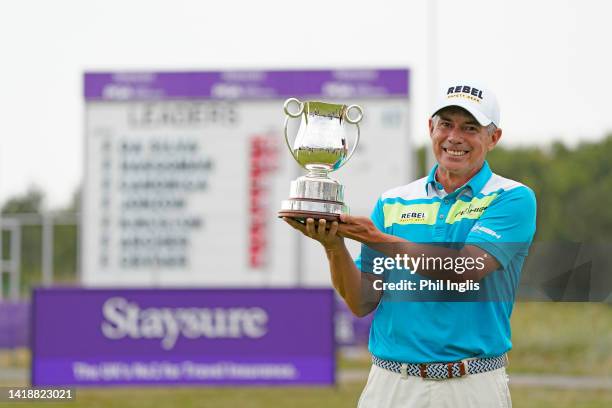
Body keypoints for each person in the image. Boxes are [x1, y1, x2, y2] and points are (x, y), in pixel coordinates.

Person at [284, 81, 536, 407]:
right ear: (431, 128)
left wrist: (374, 237)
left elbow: (463, 268)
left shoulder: (512, 198)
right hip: (391, 384)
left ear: (493, 138)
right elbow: (362, 302)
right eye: (446, 124)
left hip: (471, 384)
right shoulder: (393, 201)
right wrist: (334, 247)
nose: (455, 137)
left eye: (470, 127)